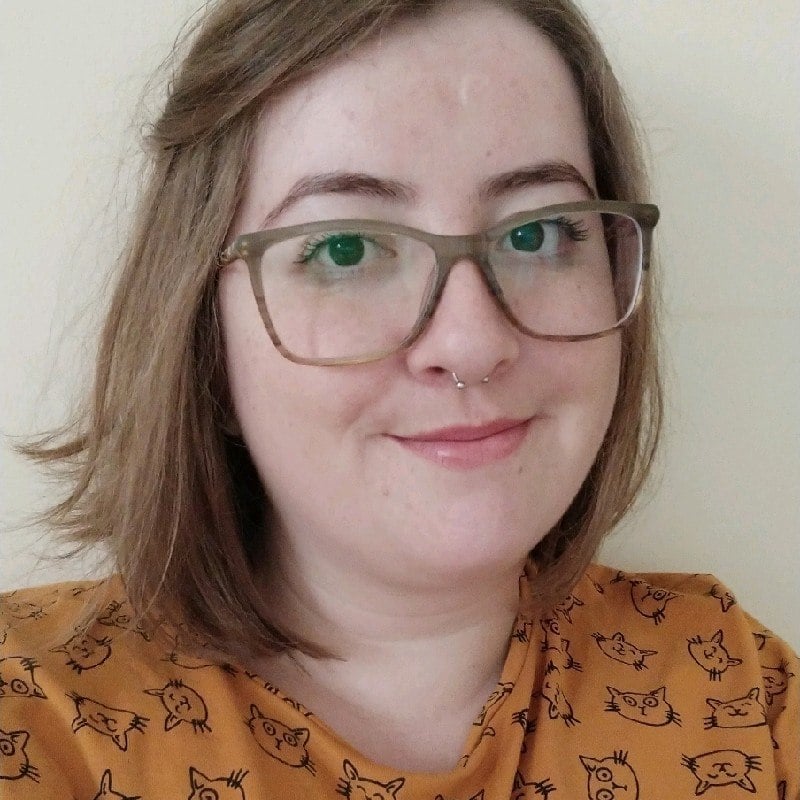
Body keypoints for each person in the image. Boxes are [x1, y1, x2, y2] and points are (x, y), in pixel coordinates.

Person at [1, 1, 796, 798]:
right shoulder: (33, 721)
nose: (472, 342)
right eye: (345, 248)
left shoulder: (738, 695)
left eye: (538, 234)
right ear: (202, 333)